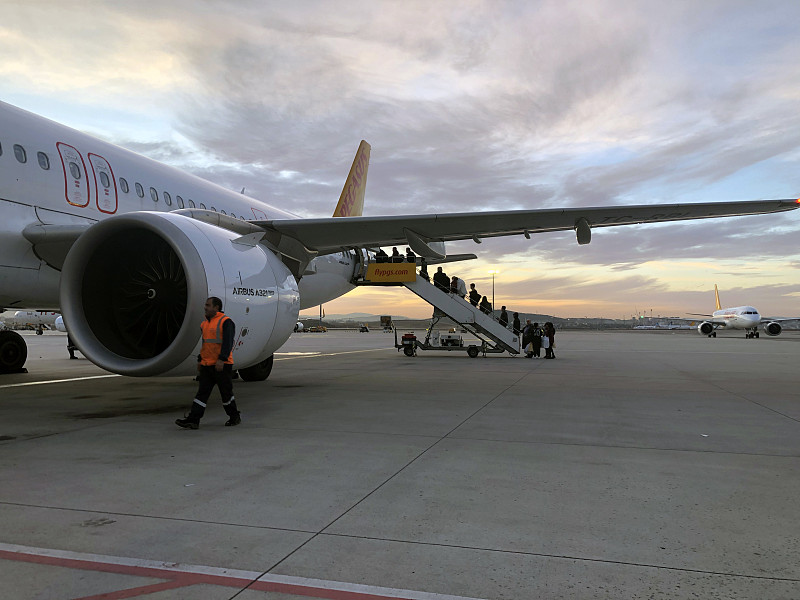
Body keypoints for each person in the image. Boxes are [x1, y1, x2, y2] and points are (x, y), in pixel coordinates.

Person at [176, 296, 241, 429]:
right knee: (202, 394)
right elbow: (205, 345)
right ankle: (193, 420)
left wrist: (221, 360)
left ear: (216, 307)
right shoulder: (204, 324)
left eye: (208, 305)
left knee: (226, 394)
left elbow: (228, 344)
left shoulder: (226, 322)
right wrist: (200, 360)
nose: (205, 307)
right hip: (207, 365)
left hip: (221, 365)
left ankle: (234, 416)